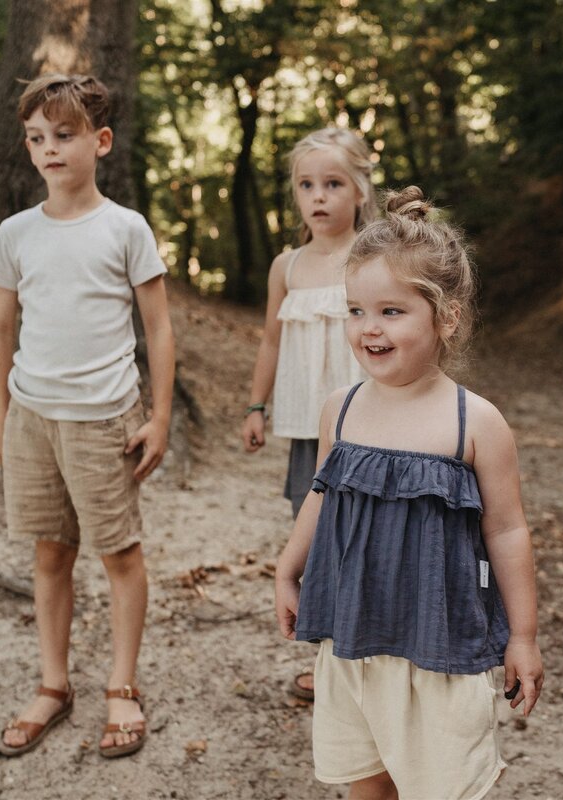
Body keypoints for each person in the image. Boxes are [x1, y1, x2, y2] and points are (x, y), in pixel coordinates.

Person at [274, 187, 543, 800]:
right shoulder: (338, 412)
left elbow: (506, 530)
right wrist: (288, 566)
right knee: (365, 782)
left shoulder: (474, 423)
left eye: (392, 312)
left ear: (446, 317)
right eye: (356, 311)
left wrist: (522, 636)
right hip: (353, 641)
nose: (369, 328)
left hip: (440, 647)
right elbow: (321, 493)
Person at [0, 73, 174, 759]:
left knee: (119, 554)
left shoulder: (125, 228)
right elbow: (0, 330)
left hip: (103, 420)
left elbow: (157, 327)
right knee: (49, 554)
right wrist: (1, 418)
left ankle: (122, 685)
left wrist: (159, 416)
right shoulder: (14, 233)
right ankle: (54, 685)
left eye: (63, 136)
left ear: (100, 140)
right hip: (34, 416)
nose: (49, 149)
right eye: (37, 138)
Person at [240, 127, 375, 702]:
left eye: (333, 183)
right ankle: (331, 659)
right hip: (306, 433)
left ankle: (372, 653)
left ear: (360, 191)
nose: (318, 197)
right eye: (306, 185)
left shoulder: (373, 257)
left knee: (369, 536)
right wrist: (256, 405)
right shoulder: (287, 267)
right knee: (315, 539)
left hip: (368, 427)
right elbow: (270, 341)